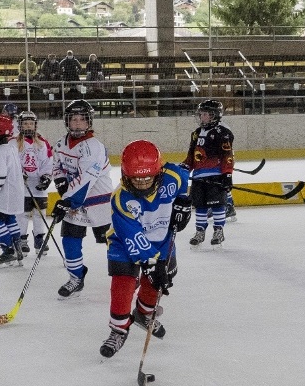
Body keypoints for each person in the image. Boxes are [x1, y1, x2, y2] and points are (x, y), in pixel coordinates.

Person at [100, 140, 192, 358]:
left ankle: (144, 314)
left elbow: (183, 179)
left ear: (158, 172)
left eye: (147, 178)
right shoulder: (121, 199)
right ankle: (119, 329)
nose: (141, 184)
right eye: (136, 179)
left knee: (157, 283)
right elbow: (132, 237)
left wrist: (184, 202)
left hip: (161, 239)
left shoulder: (172, 176)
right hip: (124, 243)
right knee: (123, 282)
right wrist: (151, 265)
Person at [51, 99, 114, 297]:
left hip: (99, 201)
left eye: (82, 119)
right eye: (73, 119)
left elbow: (86, 179)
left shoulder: (93, 147)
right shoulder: (60, 143)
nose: (77, 123)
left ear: (89, 122)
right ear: (67, 121)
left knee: (112, 241)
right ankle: (76, 277)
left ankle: (127, 273)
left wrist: (68, 200)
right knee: (70, 238)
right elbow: (56, 166)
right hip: (74, 197)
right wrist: (61, 184)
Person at [181, 99, 235, 246]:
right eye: (201, 114)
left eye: (205, 114)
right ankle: (200, 231)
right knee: (200, 205)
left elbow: (227, 156)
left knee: (217, 204)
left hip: (215, 176)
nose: (202, 117)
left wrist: (227, 174)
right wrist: (183, 168)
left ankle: (218, 231)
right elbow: (191, 156)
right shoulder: (196, 133)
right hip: (198, 177)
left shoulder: (222, 133)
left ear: (215, 116)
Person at [0, 114, 27, 267]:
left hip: (3, 195)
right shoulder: (11, 148)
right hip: (14, 193)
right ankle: (17, 250)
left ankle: (8, 251)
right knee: (9, 219)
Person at [17, 110, 54, 257]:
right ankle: (21, 240)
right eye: (25, 123)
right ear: (20, 125)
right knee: (23, 214)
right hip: (22, 186)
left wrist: (46, 177)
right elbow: (12, 162)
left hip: (38, 185)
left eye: (31, 123)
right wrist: (18, 174)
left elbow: (48, 161)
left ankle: (39, 240)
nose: (28, 126)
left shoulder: (43, 143)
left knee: (40, 214)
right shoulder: (14, 143)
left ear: (35, 125)